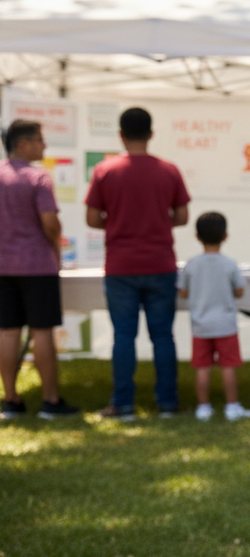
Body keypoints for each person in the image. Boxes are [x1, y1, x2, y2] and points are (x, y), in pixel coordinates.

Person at [86, 107, 191, 420]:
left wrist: (117, 223)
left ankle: (123, 403)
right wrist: (158, 221)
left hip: (121, 265)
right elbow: (183, 216)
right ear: (150, 134)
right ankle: (168, 402)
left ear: (120, 134)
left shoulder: (105, 171)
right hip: (160, 262)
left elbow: (92, 218)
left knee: (123, 337)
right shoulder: (168, 170)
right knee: (163, 336)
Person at [0, 120, 80, 419]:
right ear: (22, 144)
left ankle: (11, 400)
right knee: (42, 331)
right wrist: (55, 247)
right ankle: (50, 400)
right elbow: (49, 222)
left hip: (3, 265)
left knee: (8, 333)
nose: (44, 145)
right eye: (39, 140)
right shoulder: (38, 178)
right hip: (36, 265)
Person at [177, 212, 250, 421]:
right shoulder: (229, 264)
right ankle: (232, 406)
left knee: (202, 368)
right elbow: (239, 291)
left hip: (200, 326)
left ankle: (203, 407)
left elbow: (183, 291)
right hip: (226, 325)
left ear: (197, 236)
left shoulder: (192, 264)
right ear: (225, 236)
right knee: (228, 367)